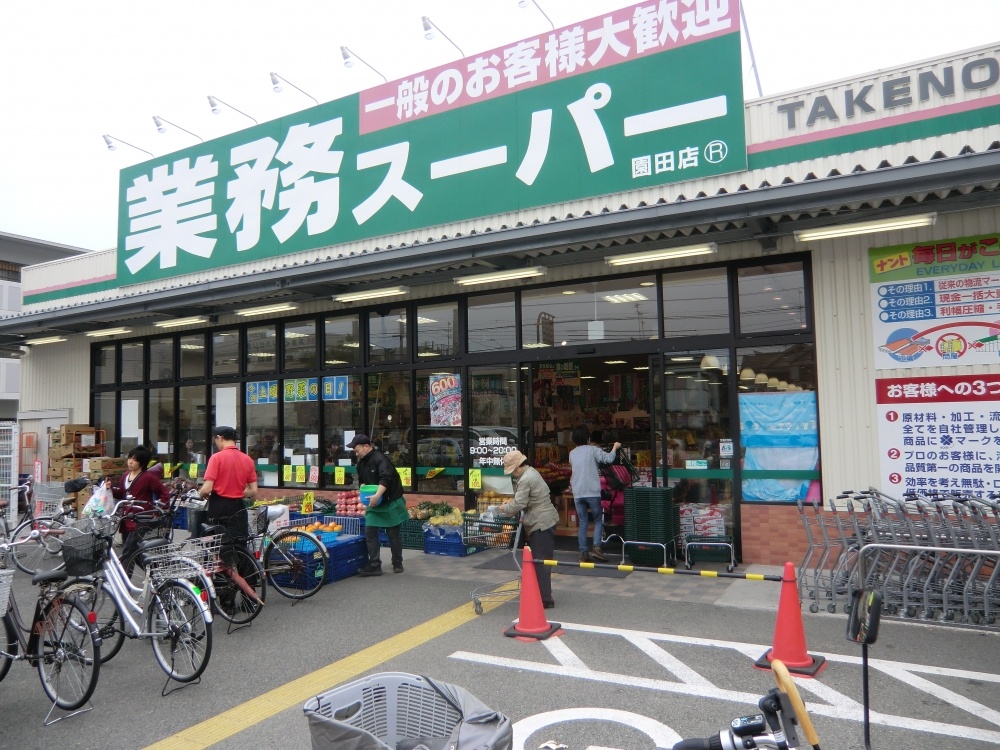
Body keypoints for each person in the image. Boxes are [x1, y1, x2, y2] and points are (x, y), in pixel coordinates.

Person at [497, 450, 559, 609]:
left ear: (518, 466)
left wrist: (505, 508)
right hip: (545, 519)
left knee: (541, 561)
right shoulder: (531, 472)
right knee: (541, 559)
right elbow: (523, 499)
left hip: (541, 522)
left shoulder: (525, 478)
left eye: (513, 470)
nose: (513, 474)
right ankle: (542, 594)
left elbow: (519, 504)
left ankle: (545, 599)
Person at [349, 434, 408, 576]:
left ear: (367, 446)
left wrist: (377, 495)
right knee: (370, 532)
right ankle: (375, 564)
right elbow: (362, 481)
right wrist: (363, 489)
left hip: (390, 501)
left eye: (357, 450)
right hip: (374, 503)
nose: (356, 454)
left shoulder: (380, 459)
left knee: (393, 534)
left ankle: (397, 562)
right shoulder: (361, 463)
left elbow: (386, 478)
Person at [568, 425, 620, 563]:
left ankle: (583, 552)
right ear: (588, 437)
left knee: (583, 522)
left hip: (578, 492)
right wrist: (615, 447)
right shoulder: (593, 450)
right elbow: (609, 459)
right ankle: (597, 548)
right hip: (592, 491)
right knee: (597, 520)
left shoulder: (572, 453)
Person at [198, 426, 257, 541]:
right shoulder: (247, 459)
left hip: (220, 506)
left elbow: (207, 488)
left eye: (215, 440)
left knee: (218, 544)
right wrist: (237, 492)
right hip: (239, 507)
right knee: (238, 542)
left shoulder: (216, 458)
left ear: (219, 438)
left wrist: (201, 494)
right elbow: (253, 490)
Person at [111, 445, 168, 562]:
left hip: (141, 519)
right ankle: (153, 574)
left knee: (127, 553)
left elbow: (164, 493)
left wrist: (158, 511)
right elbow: (122, 494)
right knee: (135, 555)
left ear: (141, 463)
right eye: (129, 458)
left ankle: (122, 579)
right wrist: (109, 489)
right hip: (126, 519)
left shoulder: (148, 477)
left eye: (134, 460)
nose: (130, 462)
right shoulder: (125, 476)